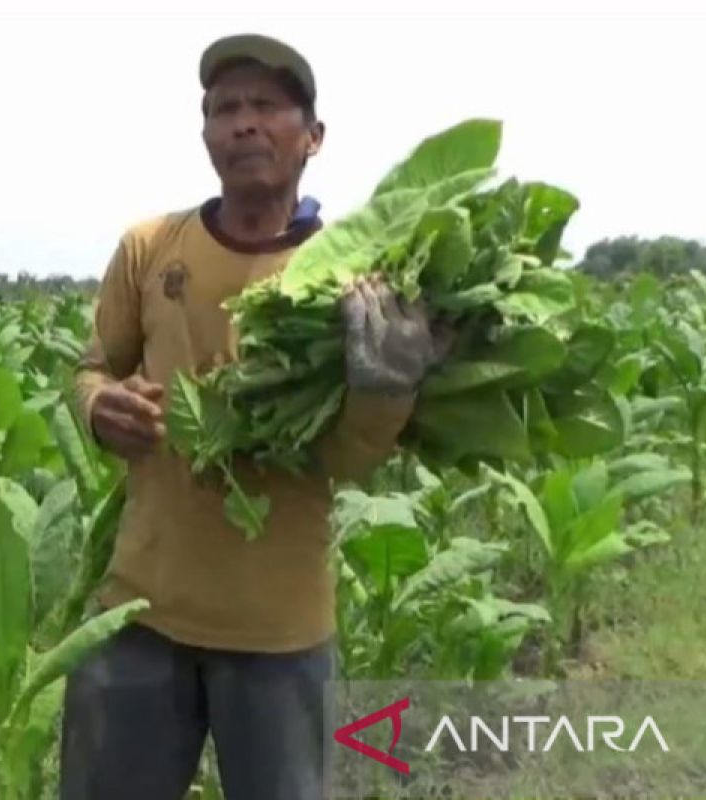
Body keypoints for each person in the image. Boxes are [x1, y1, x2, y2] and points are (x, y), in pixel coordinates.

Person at [59, 33, 444, 800]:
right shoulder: (150, 247)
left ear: (313, 136)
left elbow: (354, 460)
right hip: (138, 615)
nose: (243, 123)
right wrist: (101, 406)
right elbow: (89, 369)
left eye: (267, 106)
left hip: (279, 633)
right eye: (224, 109)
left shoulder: (356, 279)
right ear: (205, 135)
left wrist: (387, 383)